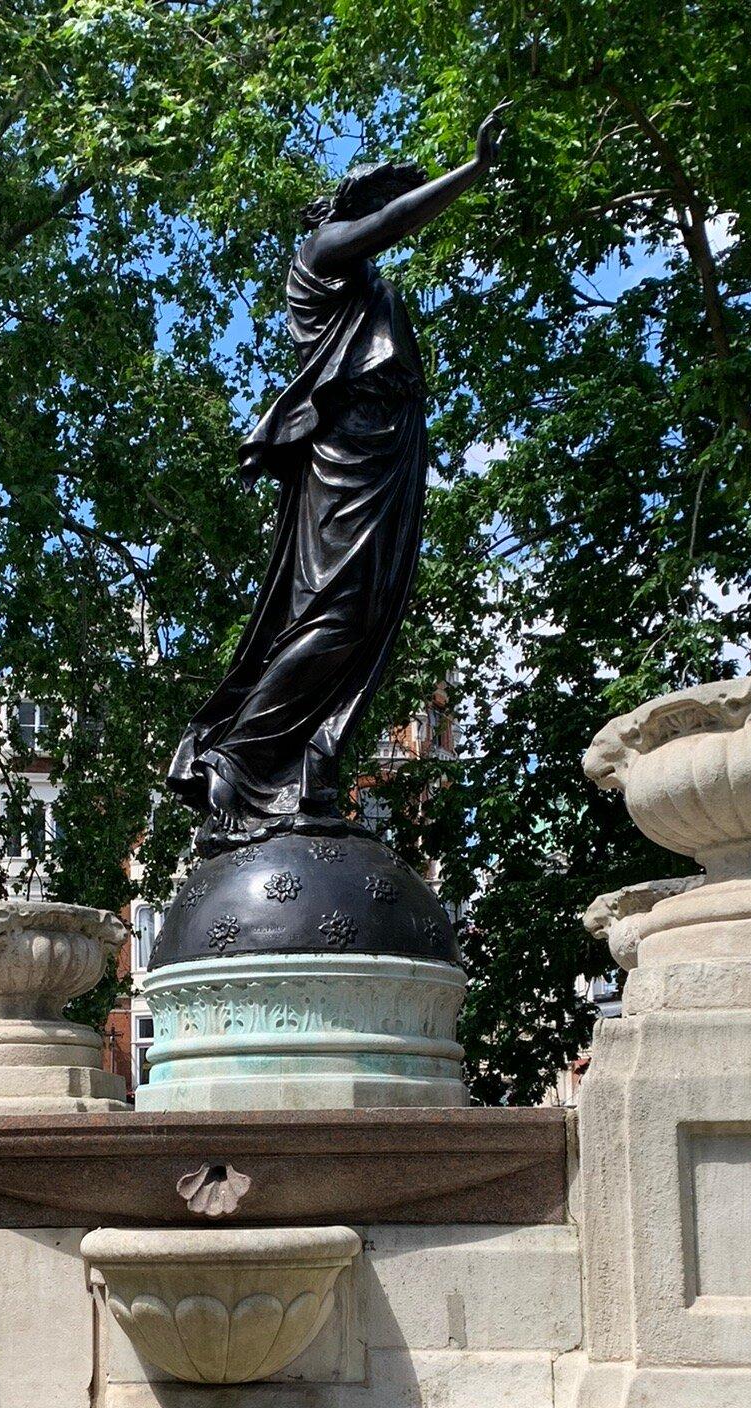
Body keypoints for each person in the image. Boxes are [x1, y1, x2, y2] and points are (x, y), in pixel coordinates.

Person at [167, 105, 508, 852]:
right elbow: (391, 225)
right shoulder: (321, 253)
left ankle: (307, 769)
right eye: (377, 203)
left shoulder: (370, 287)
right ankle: (241, 754)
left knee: (369, 616)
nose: (385, 215)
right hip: (348, 454)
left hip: (388, 452)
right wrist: (473, 172)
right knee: (336, 613)